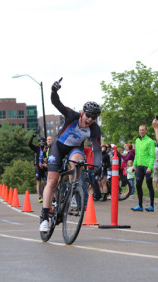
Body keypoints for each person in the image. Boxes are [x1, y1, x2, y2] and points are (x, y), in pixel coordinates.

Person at [39, 78, 102, 233]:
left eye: (94, 117)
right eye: (88, 115)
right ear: (82, 112)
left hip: (74, 149)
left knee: (79, 161)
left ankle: (73, 191)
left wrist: (99, 166)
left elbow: (98, 150)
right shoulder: (71, 116)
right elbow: (56, 103)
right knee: (52, 180)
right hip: (58, 148)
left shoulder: (94, 129)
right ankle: (44, 216)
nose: (90, 119)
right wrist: (54, 91)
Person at [131, 124, 156, 212]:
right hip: (139, 166)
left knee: (149, 185)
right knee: (138, 184)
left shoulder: (150, 141)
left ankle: (151, 205)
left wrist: (150, 167)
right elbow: (136, 154)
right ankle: (140, 205)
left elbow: (153, 156)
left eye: (143, 130)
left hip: (147, 166)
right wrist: (134, 165)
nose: (141, 131)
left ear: (146, 131)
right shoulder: (137, 140)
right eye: (140, 130)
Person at [29, 134, 48, 203]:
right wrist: (32, 137)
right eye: (40, 141)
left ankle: (45, 195)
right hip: (37, 166)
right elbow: (29, 144)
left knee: (46, 182)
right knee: (38, 182)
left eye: (42, 141)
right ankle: (39, 196)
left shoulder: (46, 148)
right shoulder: (36, 148)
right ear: (38, 142)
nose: (41, 142)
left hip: (45, 167)